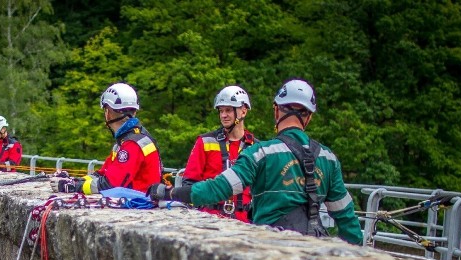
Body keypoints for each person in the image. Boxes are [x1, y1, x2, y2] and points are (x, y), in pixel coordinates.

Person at [152, 79, 363, 245]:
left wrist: (169, 193)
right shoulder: (328, 158)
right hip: (314, 245)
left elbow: (218, 188)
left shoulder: (261, 152)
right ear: (308, 117)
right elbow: (346, 218)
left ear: (276, 110)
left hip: (271, 243)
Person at [50, 82, 162, 194]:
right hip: (139, 200)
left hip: (138, 203)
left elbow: (110, 184)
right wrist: (75, 181)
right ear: (135, 111)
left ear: (108, 112)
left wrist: (74, 187)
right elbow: (103, 174)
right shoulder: (130, 139)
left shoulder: (131, 144)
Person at [181, 86, 258, 222]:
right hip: (209, 219)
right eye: (221, 111)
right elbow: (189, 182)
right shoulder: (205, 142)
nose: (223, 115)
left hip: (245, 221)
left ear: (243, 111)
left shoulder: (256, 147)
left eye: (228, 110)